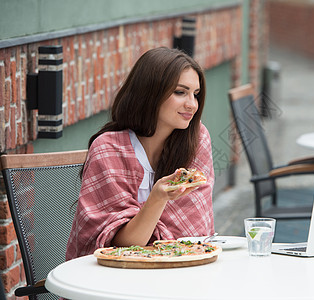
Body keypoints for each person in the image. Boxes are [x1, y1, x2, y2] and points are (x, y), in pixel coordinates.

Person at [66, 47, 215, 260]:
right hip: (116, 278)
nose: (192, 104)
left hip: (178, 274)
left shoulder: (196, 140)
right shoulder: (108, 148)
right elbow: (120, 247)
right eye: (180, 92)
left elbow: (192, 233)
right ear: (151, 92)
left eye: (196, 94)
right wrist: (157, 198)